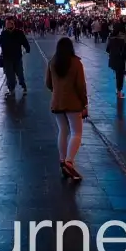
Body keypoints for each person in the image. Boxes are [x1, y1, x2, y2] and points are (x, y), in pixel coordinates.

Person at [46, 37, 88, 182]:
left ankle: (62, 160)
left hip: (57, 102)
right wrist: (85, 104)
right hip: (74, 103)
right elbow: (81, 86)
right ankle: (69, 161)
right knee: (76, 132)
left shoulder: (52, 62)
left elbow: (48, 83)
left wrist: (57, 91)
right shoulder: (76, 63)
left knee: (62, 131)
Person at [0, 16, 31, 96]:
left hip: (17, 57)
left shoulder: (19, 32)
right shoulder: (4, 33)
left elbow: (24, 42)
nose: (8, 25)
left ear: (13, 24)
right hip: (7, 58)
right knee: (9, 75)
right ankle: (11, 89)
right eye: (7, 23)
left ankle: (23, 86)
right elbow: (0, 41)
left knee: (20, 73)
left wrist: (27, 48)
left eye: (9, 23)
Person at [105, 24, 126, 101]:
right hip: (121, 60)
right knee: (120, 76)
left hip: (113, 60)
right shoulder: (123, 39)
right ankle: (119, 91)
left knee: (119, 75)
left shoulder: (111, 39)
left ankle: (118, 90)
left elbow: (107, 50)